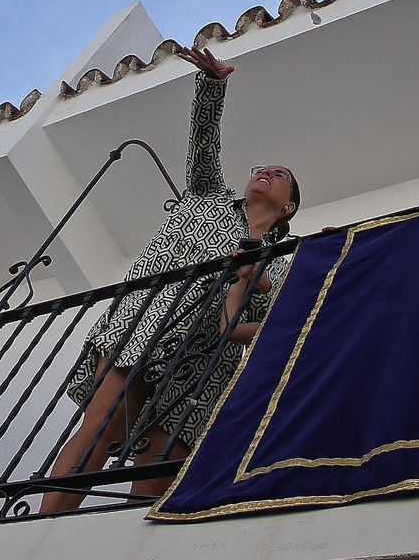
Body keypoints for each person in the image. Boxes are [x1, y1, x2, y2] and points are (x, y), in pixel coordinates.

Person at [40, 46, 297, 512]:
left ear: (289, 206)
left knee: (161, 458)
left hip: (202, 360)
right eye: (261, 170)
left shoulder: (283, 264)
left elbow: (275, 323)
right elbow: (204, 142)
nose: (266, 174)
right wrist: (212, 84)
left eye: (279, 176)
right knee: (105, 423)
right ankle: (38, 533)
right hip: (144, 319)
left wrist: (252, 283)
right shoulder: (207, 199)